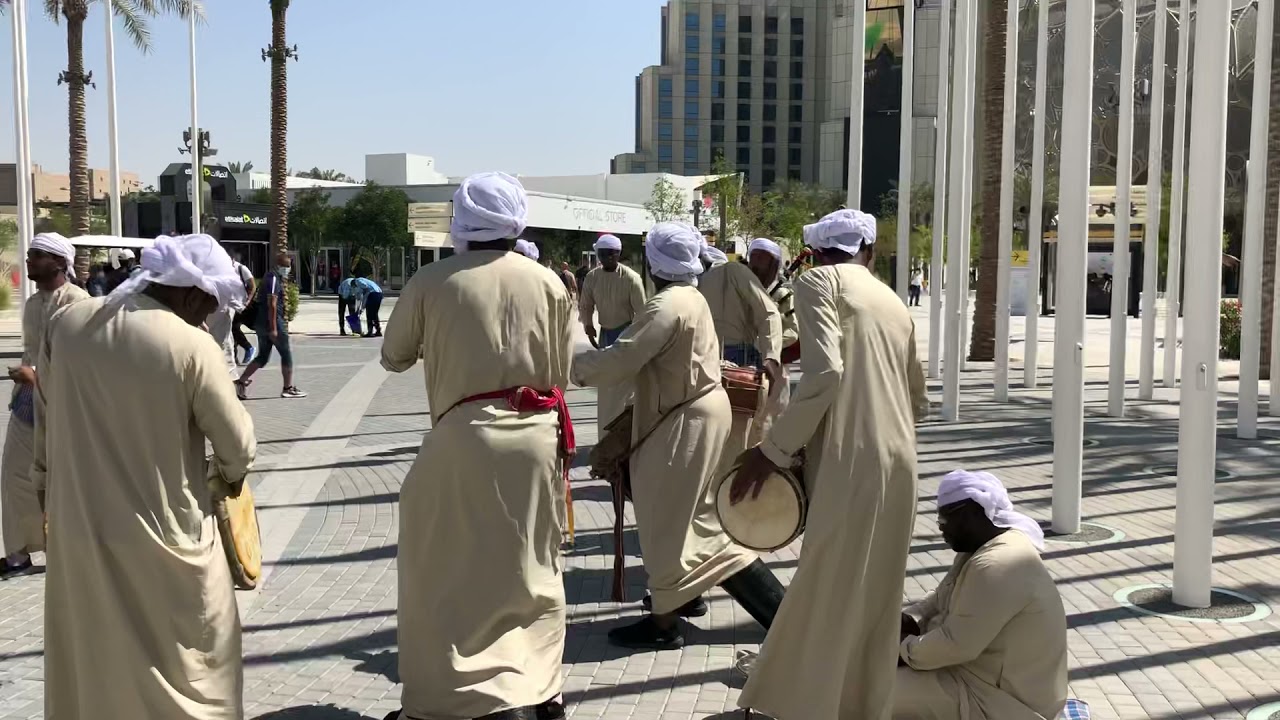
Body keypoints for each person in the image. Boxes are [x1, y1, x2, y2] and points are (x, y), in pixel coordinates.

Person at [34, 233, 256, 718]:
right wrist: (223, 481)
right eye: (211, 305)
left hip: (81, 529)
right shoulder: (191, 345)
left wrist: (43, 489)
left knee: (96, 659)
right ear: (193, 292)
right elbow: (238, 446)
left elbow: (46, 420)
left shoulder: (67, 325)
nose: (209, 316)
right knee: (195, 667)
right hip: (166, 534)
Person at [379, 172, 573, 720]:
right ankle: (536, 691)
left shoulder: (432, 280)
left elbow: (394, 356)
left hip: (461, 443)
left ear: (461, 221)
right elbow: (561, 373)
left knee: (441, 571)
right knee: (531, 569)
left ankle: (448, 699)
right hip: (537, 441)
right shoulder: (550, 283)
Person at [729, 208, 929, 719]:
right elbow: (918, 400)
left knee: (825, 584)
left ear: (816, 251)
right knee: (878, 593)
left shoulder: (819, 283)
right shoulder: (891, 299)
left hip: (850, 456)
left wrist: (771, 452)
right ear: (869, 252)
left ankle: (801, 704)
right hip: (901, 459)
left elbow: (824, 378)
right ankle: (860, 705)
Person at [572, 221, 785, 651]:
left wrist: (577, 360)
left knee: (672, 524)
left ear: (653, 263)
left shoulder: (667, 304)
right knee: (692, 521)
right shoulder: (690, 297)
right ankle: (771, 613)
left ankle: (666, 623)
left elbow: (624, 357)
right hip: (691, 415)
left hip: (682, 421)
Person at [896, 470, 1068, 720]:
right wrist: (908, 617)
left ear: (972, 514)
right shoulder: (981, 549)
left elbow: (955, 645)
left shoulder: (999, 563)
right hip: (976, 677)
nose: (941, 529)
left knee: (871, 690)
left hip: (1003, 701)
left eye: (944, 520)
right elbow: (941, 597)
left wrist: (901, 649)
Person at [1, 233, 88, 578]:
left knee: (60, 480)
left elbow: (79, 361)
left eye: (37, 255)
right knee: (14, 477)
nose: (29, 260)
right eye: (30, 254)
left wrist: (34, 373)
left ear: (58, 261)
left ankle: (65, 551)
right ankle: (18, 555)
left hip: (63, 406)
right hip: (26, 405)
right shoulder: (34, 304)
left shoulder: (77, 302)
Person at [578, 234, 646, 427]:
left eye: (611, 254)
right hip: (605, 334)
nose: (607, 258)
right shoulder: (592, 277)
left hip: (626, 335)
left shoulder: (632, 278)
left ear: (618, 254)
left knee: (625, 386)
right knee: (606, 385)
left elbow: (642, 313)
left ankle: (625, 428)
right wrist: (588, 325)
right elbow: (586, 305)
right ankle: (606, 426)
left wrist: (638, 341)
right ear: (598, 254)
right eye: (603, 254)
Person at [235, 250, 307, 399]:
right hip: (272, 323)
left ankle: (241, 382)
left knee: (263, 357)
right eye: (287, 266)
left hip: (261, 323)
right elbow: (272, 304)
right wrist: (274, 328)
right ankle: (287, 388)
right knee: (286, 353)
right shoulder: (273, 278)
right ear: (280, 266)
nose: (288, 270)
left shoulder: (268, 277)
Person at [231, 253, 257, 364]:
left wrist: (247, 301)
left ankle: (248, 348)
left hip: (243, 306)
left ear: (233, 259)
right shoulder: (222, 270)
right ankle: (234, 358)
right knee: (232, 330)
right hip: (231, 305)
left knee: (233, 328)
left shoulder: (241, 269)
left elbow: (252, 286)